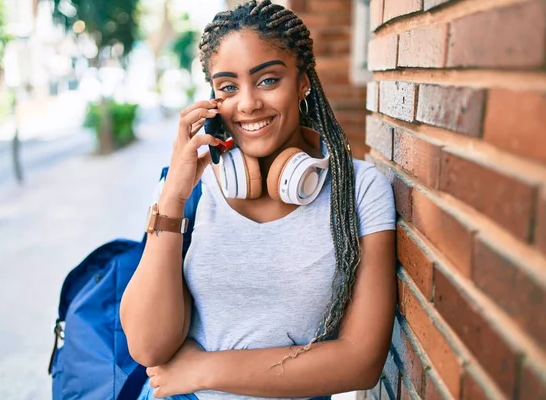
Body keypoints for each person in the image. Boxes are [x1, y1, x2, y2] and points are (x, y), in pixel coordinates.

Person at [120, 1, 396, 399]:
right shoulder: (185, 188)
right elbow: (147, 348)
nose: (247, 103)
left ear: (303, 81)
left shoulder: (360, 189)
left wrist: (204, 369)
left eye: (267, 80)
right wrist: (173, 198)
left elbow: (360, 361)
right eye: (228, 87)